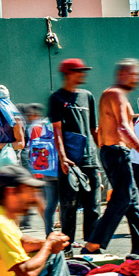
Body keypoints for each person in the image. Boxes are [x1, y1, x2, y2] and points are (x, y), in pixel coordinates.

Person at [85, 59, 139, 255]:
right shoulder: (115, 94)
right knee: (122, 199)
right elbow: (123, 127)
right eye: (135, 75)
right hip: (116, 153)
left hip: (114, 152)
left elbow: (101, 129)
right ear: (124, 74)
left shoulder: (115, 94)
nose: (137, 79)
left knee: (132, 202)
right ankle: (93, 243)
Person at [49, 58, 101, 249]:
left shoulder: (87, 96)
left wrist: (102, 152)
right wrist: (63, 158)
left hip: (90, 160)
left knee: (94, 207)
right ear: (69, 73)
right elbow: (57, 132)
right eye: (79, 71)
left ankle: (93, 246)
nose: (83, 75)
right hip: (70, 162)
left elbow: (94, 129)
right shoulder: (57, 98)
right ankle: (66, 247)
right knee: (69, 206)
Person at [22, 103, 60, 235]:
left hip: (46, 169)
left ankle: (49, 233)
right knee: (58, 203)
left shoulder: (39, 126)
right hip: (57, 168)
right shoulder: (44, 126)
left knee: (50, 203)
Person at [0, 85, 26, 176]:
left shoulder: (16, 119)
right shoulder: (1, 118)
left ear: (2, 102)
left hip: (11, 165)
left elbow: (20, 144)